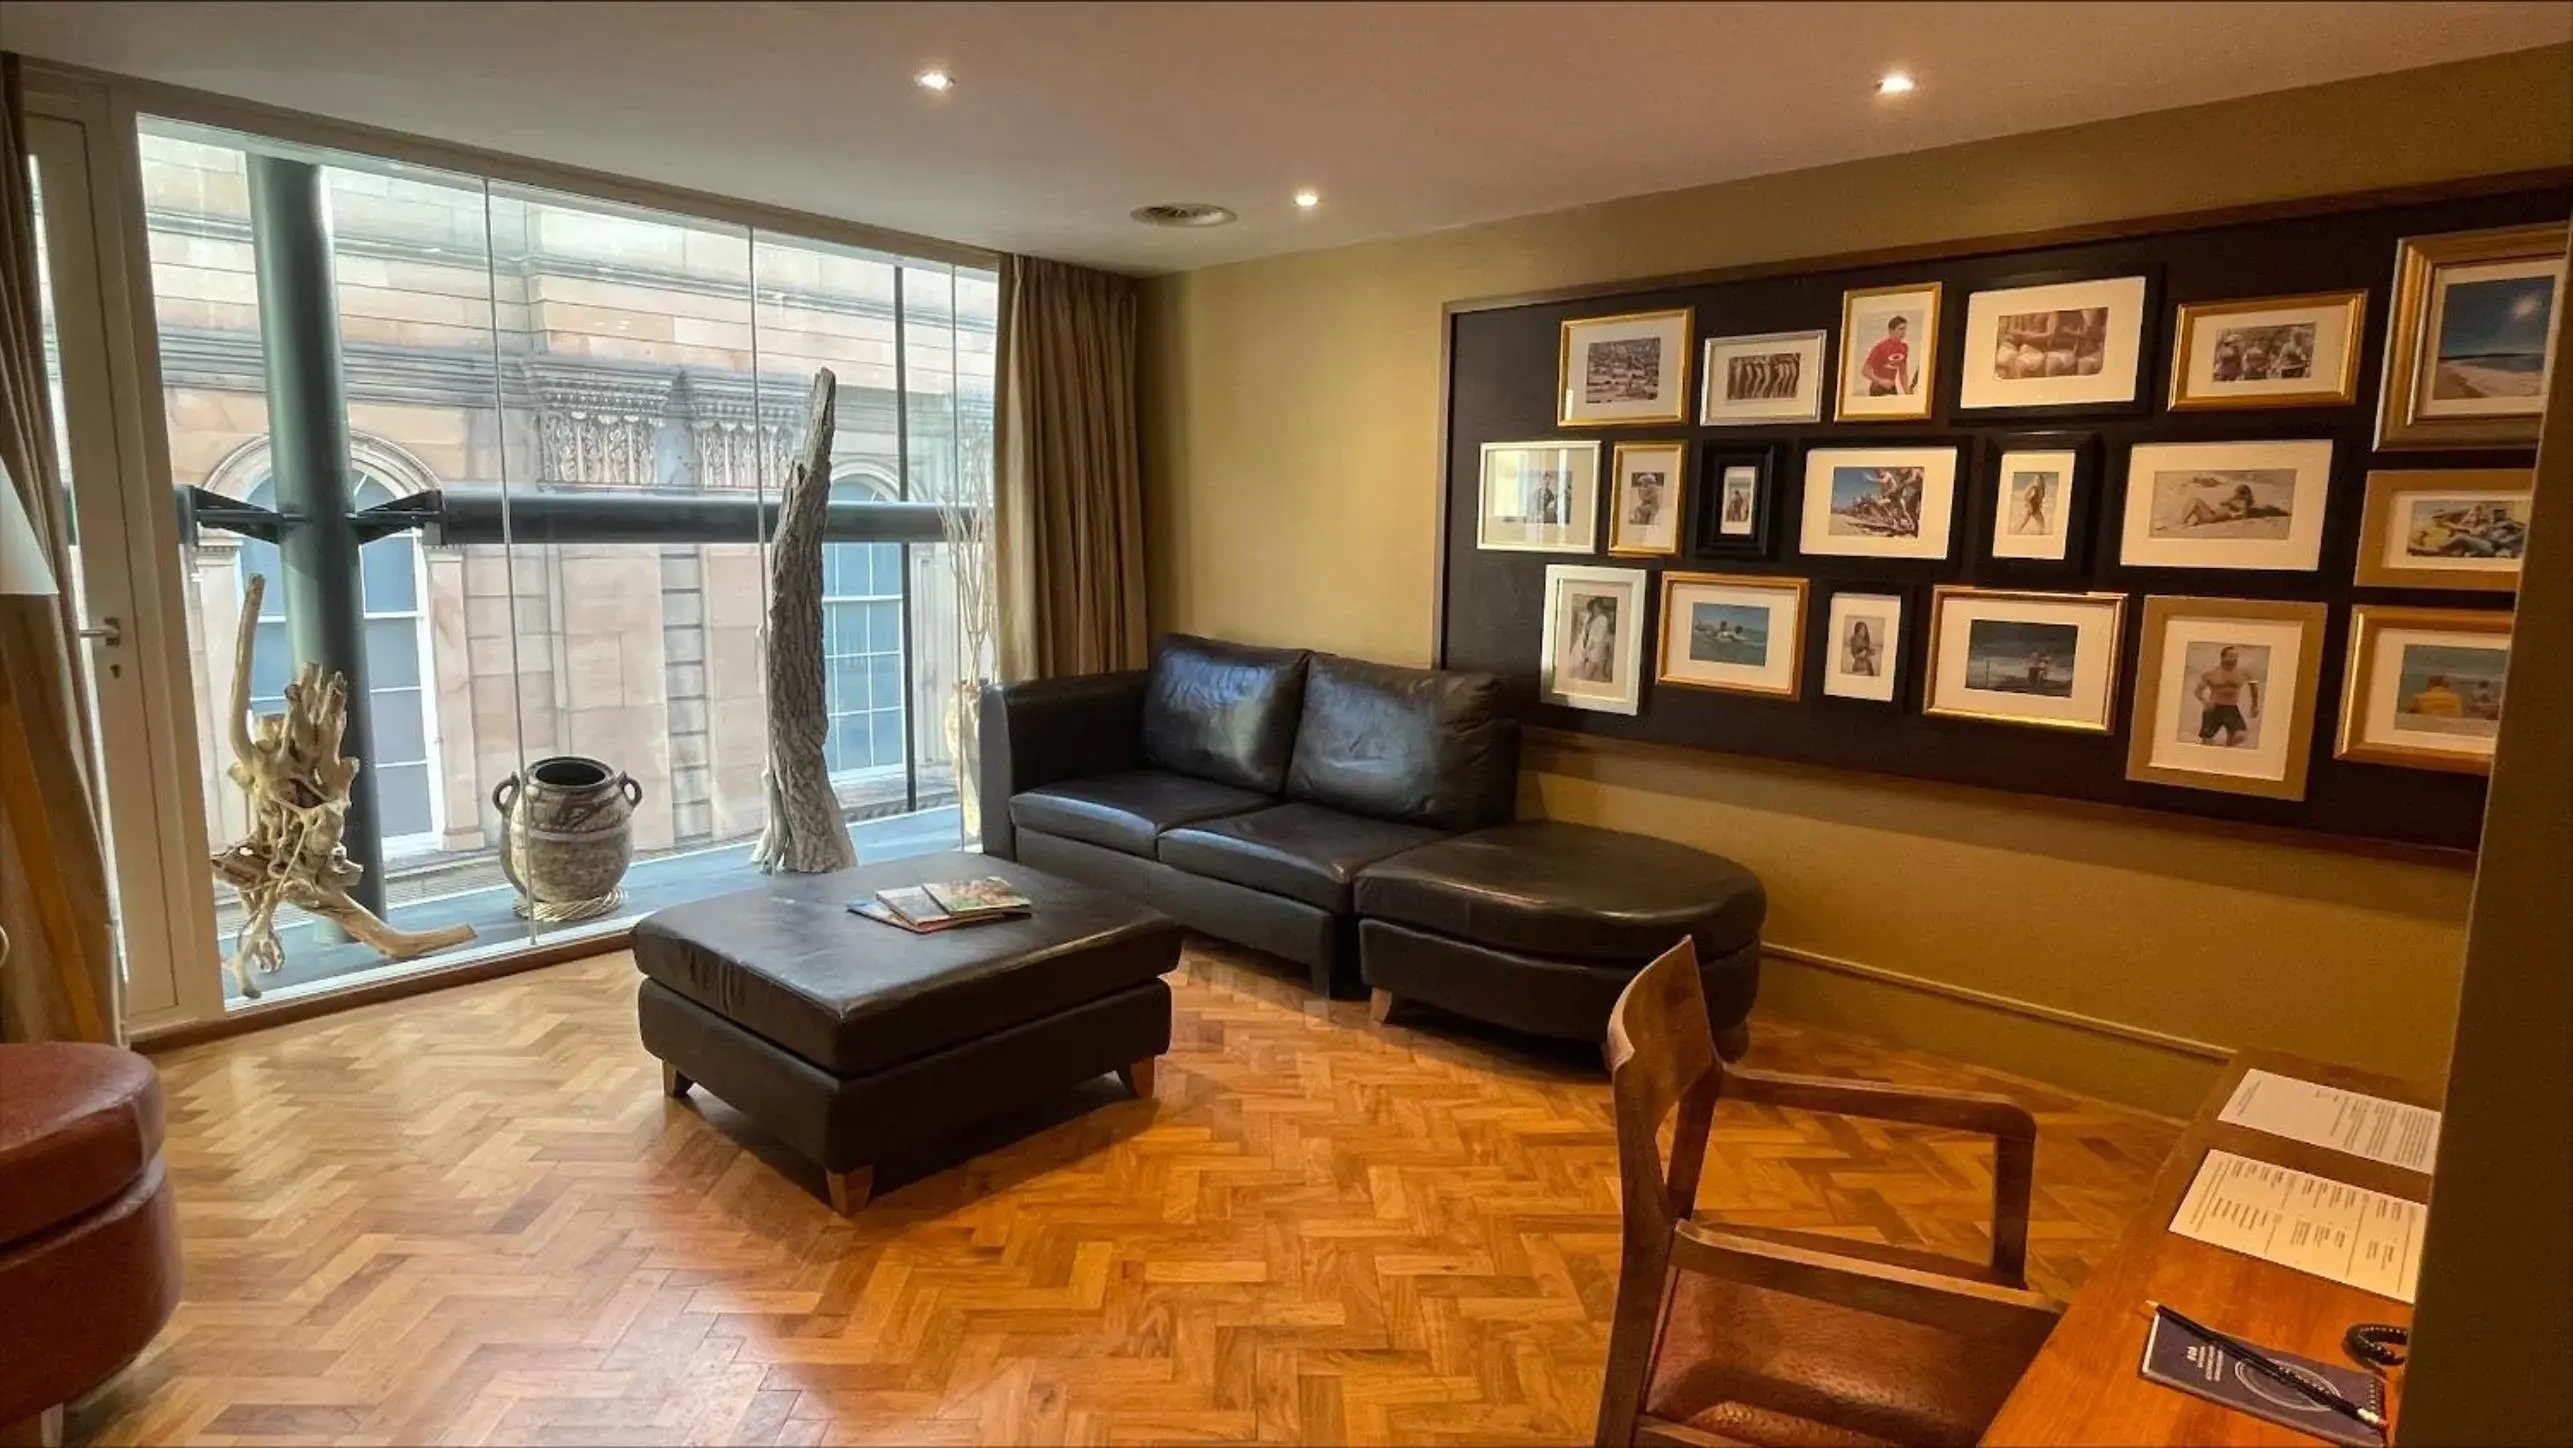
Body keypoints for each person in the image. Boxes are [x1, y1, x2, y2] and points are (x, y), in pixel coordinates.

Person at [2194, 645, 2260, 746]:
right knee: (2207, 742)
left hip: (2231, 709)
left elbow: (2254, 685)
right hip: (2213, 709)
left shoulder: (2243, 672)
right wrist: (2205, 701)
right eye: (2232, 656)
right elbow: (2198, 691)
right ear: (2223, 657)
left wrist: (2254, 705)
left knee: (2240, 736)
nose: (2235, 659)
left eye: (2236, 656)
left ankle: (2224, 750)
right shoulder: (2211, 673)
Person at [2178, 479, 2288, 529]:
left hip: (2212, 517)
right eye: (2239, 491)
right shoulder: (2235, 501)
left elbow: (2242, 515)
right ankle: (2182, 521)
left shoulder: (2242, 505)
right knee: (2194, 500)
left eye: (2242, 492)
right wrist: (2232, 499)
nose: (2239, 494)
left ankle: (2182, 522)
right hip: (2211, 514)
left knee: (2195, 501)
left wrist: (2233, 503)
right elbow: (2222, 503)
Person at [1860, 315, 1914, 397]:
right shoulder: (1880, 347)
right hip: (1877, 388)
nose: (1904, 332)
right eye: (1900, 329)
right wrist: (1881, 381)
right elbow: (1865, 371)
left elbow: (1903, 373)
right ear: (1891, 330)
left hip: (1892, 388)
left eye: (1905, 329)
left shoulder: (1904, 347)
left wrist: (1908, 392)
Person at [1571, 596, 1616, 683]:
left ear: (1599, 608)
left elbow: (1597, 638)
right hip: (1590, 651)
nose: (1594, 610)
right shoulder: (1594, 619)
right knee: (1587, 675)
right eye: (1593, 608)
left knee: (1587, 676)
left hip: (1594, 652)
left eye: (1595, 608)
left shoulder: (1602, 620)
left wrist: (1587, 650)